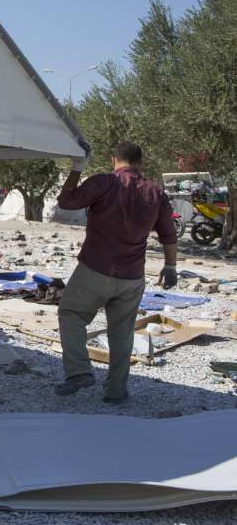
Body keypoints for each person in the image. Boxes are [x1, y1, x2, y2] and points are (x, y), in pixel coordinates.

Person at [54, 141, 178, 404]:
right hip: (132, 277)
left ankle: (79, 372)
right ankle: (116, 392)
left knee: (71, 314)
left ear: (114, 160)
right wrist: (170, 266)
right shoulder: (155, 192)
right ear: (140, 163)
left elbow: (66, 201)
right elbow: (169, 233)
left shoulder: (104, 183)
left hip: (95, 269)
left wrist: (77, 168)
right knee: (122, 333)